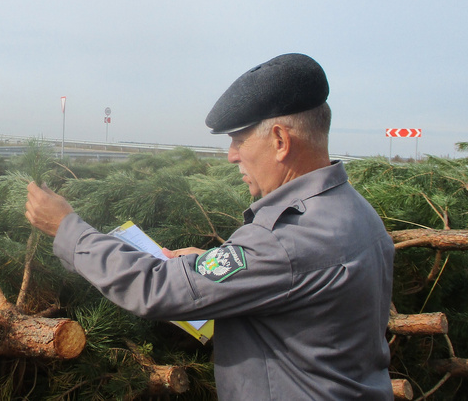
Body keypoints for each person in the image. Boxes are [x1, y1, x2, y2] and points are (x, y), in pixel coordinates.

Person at [25, 53, 394, 400]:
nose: (232, 154)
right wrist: (217, 263)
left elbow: (156, 287)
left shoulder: (286, 238)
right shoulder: (353, 210)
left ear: (280, 141)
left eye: (238, 139)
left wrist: (67, 228)